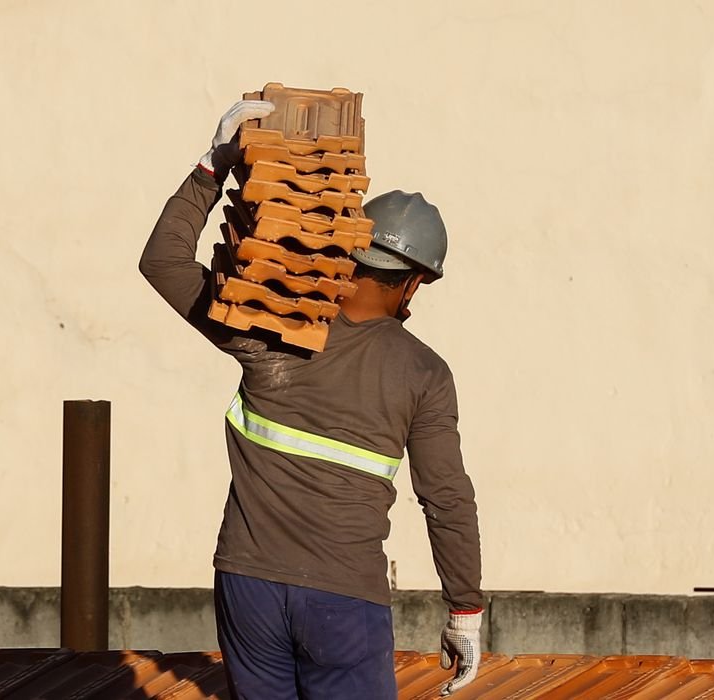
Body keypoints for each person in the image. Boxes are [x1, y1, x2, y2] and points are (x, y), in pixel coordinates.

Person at [139, 99, 483, 698]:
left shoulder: (267, 324)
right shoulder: (424, 374)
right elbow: (447, 499)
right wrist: (465, 612)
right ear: (413, 281)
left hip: (247, 587)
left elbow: (163, 261)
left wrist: (213, 165)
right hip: (344, 602)